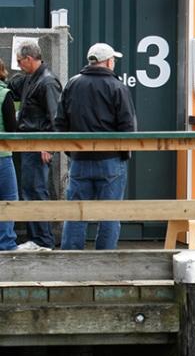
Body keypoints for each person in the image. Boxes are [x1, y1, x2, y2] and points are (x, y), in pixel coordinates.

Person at [54, 43, 136, 250]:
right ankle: (104, 262)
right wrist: (122, 154)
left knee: (76, 214)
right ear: (108, 62)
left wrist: (71, 151)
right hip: (110, 161)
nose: (114, 63)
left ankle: (71, 262)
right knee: (109, 215)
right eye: (114, 60)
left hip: (79, 161)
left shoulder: (72, 84)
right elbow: (128, 126)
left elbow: (60, 122)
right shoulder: (118, 87)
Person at [10, 41, 62, 248]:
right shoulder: (32, 79)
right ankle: (36, 239)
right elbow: (13, 88)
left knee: (36, 191)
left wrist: (48, 146)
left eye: (19, 61)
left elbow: (56, 118)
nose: (18, 64)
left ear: (29, 59)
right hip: (30, 146)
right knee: (31, 190)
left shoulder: (47, 82)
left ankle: (42, 240)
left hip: (38, 146)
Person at [0, 58, 19, 251]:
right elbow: (12, 129)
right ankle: (5, 244)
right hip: (2, 157)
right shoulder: (5, 94)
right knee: (8, 198)